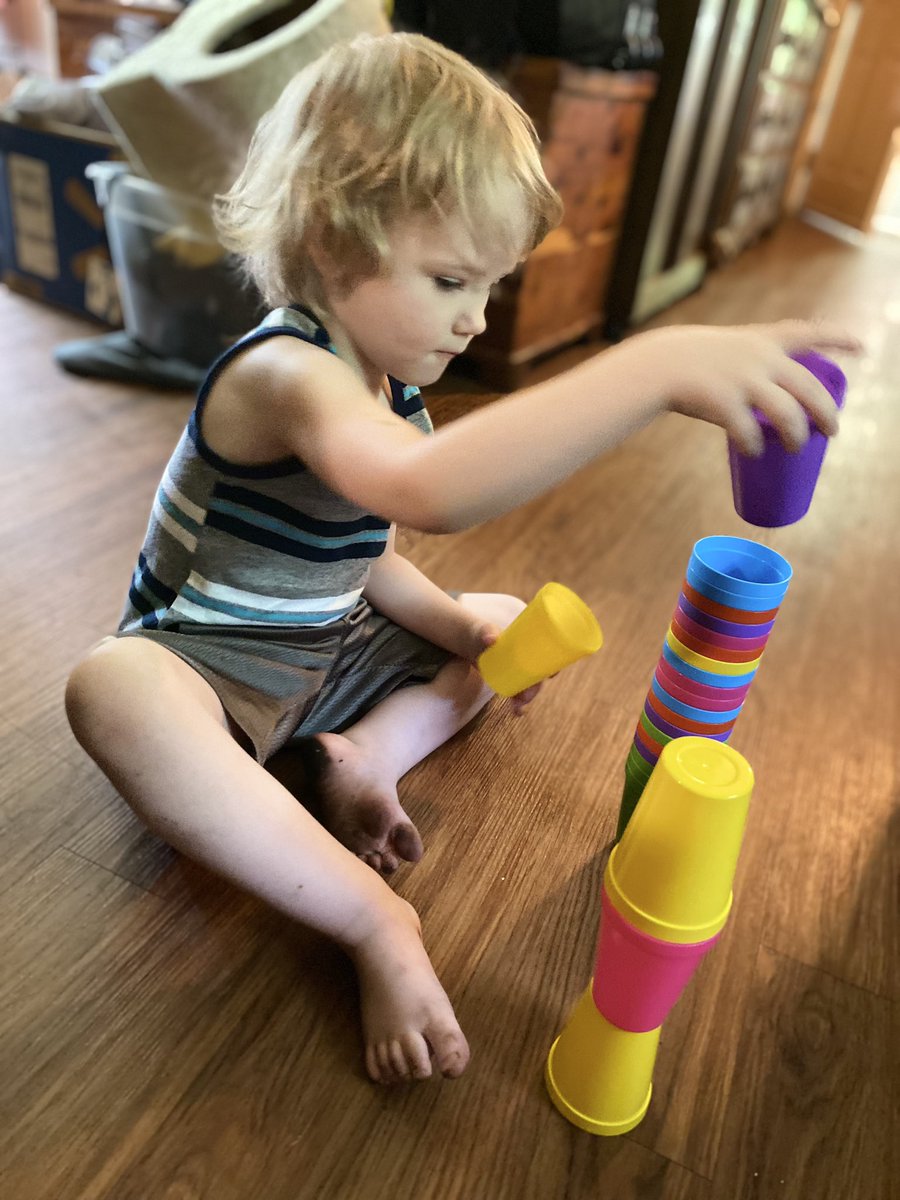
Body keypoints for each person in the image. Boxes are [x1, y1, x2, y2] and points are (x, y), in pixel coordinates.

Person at [65, 32, 859, 1087]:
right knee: (110, 687)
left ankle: (366, 759)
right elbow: (422, 493)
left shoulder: (388, 389)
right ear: (330, 236)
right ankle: (372, 919)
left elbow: (368, 550)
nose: (475, 316)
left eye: (487, 283)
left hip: (320, 656)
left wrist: (459, 628)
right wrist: (654, 367)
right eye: (450, 278)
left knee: (488, 613)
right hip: (212, 669)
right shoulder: (288, 372)